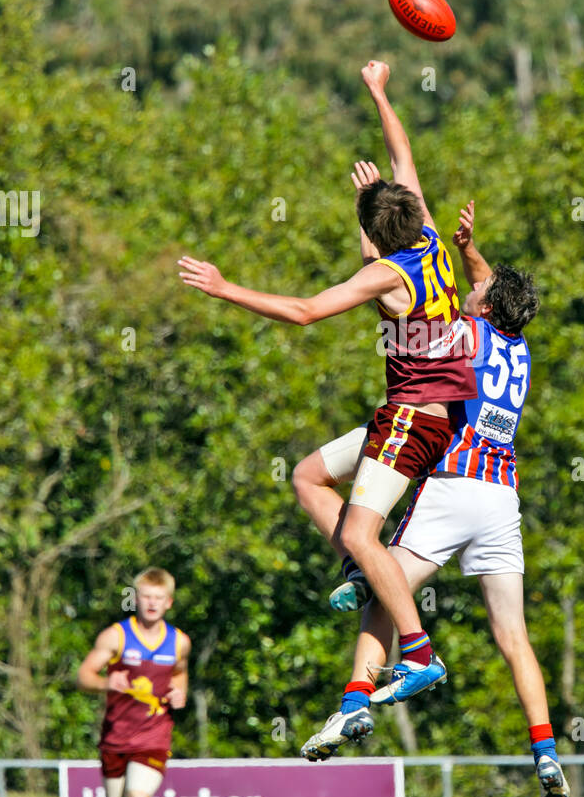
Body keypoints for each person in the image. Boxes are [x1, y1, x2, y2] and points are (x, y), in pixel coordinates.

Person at [179, 60, 477, 703]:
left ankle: (419, 653)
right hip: (432, 413)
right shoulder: (429, 238)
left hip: (415, 415)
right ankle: (363, 575)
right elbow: (403, 154)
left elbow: (306, 311)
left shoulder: (385, 275)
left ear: (374, 236)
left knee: (360, 533)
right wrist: (378, 92)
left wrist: (225, 287)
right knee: (308, 476)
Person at [300, 203, 570, 797]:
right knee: (514, 637)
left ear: (483, 304)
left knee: (377, 580)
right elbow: (483, 281)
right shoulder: (519, 349)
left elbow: (402, 297)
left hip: (455, 481)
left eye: (479, 288)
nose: (471, 287)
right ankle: (546, 749)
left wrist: (374, 244)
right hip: (503, 500)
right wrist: (469, 248)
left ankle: (353, 703)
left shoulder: (463, 333)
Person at [76, 568, 190, 797]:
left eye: (159, 598)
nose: (152, 603)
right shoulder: (116, 636)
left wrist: (180, 694)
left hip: (154, 737)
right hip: (116, 736)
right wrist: (105, 683)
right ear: (136, 599)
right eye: (147, 597)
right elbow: (84, 675)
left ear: (169, 602)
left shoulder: (179, 641)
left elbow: (179, 673)